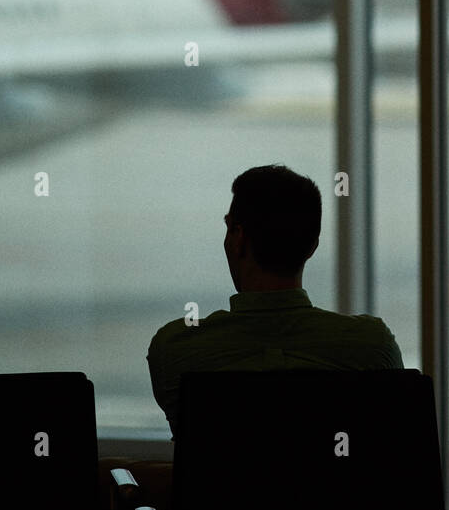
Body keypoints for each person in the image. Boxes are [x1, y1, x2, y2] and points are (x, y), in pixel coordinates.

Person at [147, 163, 403, 436]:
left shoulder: (174, 349)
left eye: (229, 227)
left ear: (238, 238)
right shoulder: (373, 348)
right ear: (312, 246)